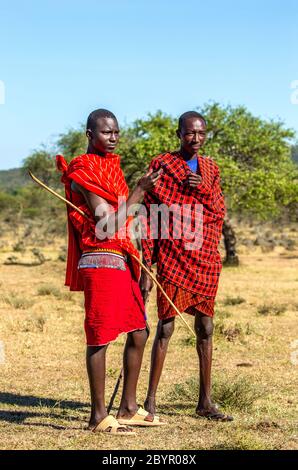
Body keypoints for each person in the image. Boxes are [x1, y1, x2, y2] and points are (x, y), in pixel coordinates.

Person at [57, 108, 163, 435]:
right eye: (106, 132)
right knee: (101, 336)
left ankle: (129, 407)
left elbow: (125, 225)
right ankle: (98, 416)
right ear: (89, 134)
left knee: (140, 330)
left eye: (116, 132)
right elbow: (106, 225)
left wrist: (140, 263)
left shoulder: (111, 167)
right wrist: (140, 191)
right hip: (99, 258)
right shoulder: (83, 169)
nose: (113, 138)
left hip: (121, 258)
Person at [140, 111, 233, 422]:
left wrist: (202, 187)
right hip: (172, 255)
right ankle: (149, 402)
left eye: (201, 133)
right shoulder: (162, 165)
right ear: (178, 133)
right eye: (190, 133)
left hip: (204, 256)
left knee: (206, 328)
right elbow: (151, 215)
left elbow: (218, 210)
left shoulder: (210, 169)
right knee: (165, 327)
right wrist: (145, 265)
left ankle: (205, 401)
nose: (195, 138)